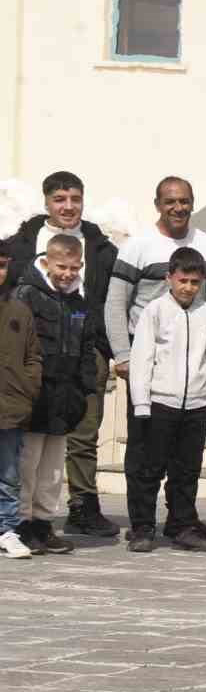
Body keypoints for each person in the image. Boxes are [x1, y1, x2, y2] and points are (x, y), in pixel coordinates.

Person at [106, 177, 206, 543]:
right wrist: (123, 355)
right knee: (145, 455)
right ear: (158, 204)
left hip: (191, 367)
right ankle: (142, 525)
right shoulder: (138, 245)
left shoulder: (205, 244)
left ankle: (183, 521)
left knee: (186, 459)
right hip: (149, 364)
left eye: (185, 201)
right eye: (170, 201)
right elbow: (116, 302)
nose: (178, 208)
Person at [6, 172, 119, 539]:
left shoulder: (100, 249)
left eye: (75, 199)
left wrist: (99, 355)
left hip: (77, 366)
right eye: (59, 199)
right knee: (28, 456)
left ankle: (67, 512)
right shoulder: (22, 252)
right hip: (34, 376)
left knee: (70, 447)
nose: (68, 206)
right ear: (46, 202)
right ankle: (19, 522)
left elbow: (108, 303)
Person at [125, 247, 206, 554]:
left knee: (187, 470)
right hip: (160, 403)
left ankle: (181, 525)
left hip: (195, 404)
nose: (188, 288)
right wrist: (141, 401)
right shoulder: (154, 311)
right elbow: (142, 358)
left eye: (195, 282)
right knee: (149, 469)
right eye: (183, 280)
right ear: (169, 278)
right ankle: (143, 527)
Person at [10, 235, 97, 555]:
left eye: (74, 268)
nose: (68, 274)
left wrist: (85, 387)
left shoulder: (80, 300)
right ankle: (21, 524)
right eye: (62, 266)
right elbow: (15, 347)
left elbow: (87, 345)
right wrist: (23, 388)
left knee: (53, 468)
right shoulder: (26, 294)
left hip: (65, 397)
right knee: (27, 464)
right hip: (34, 395)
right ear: (47, 262)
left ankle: (44, 523)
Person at [0, 281, 40, 559]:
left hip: (10, 405)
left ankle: (6, 530)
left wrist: (28, 387)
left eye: (3, 264)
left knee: (9, 474)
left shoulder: (20, 311)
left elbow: (33, 356)